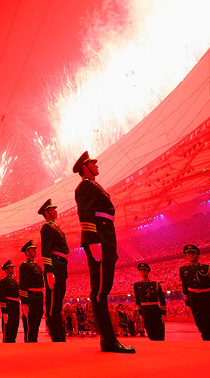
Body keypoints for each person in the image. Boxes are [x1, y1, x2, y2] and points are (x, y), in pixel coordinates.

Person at [73, 151, 135, 353]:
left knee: (103, 289)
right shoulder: (85, 186)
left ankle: (108, 339)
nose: (97, 166)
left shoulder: (94, 185)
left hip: (105, 237)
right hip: (99, 238)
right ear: (85, 167)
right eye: (93, 164)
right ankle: (107, 339)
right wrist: (93, 241)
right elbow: (85, 213)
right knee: (99, 291)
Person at [38, 199, 69, 342]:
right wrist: (49, 271)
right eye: (52, 209)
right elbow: (46, 250)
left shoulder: (55, 227)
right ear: (47, 212)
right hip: (54, 264)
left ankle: (60, 335)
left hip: (61, 264)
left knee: (58, 301)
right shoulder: (47, 227)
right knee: (52, 303)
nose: (56, 211)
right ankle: (56, 336)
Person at [179, 244, 210, 340]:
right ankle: (207, 342)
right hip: (193, 299)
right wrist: (187, 303)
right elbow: (184, 286)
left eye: (193, 253)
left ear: (198, 254)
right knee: (201, 324)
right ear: (186, 256)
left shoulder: (207, 268)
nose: (191, 255)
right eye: (188, 254)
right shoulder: (182, 270)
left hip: (207, 298)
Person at [19, 240, 44, 342]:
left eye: (34, 249)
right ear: (27, 251)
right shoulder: (25, 265)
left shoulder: (36, 266)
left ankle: (34, 341)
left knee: (36, 322)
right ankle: (30, 343)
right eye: (32, 250)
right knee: (30, 324)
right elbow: (23, 285)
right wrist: (24, 303)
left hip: (38, 296)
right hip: (31, 297)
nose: (35, 251)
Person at [133, 263, 166, 340]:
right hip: (145, 310)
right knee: (149, 330)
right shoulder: (137, 285)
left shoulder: (155, 284)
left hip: (155, 309)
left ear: (148, 272)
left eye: (145, 270)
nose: (143, 272)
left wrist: (164, 313)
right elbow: (137, 300)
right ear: (139, 272)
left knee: (159, 330)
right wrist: (140, 313)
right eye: (141, 270)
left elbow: (162, 299)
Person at [0, 260, 20, 343]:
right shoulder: (4, 280)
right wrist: (4, 311)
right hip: (9, 306)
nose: (13, 269)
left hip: (15, 305)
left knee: (15, 326)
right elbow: (1, 296)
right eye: (11, 268)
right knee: (8, 328)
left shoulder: (15, 281)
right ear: (6, 270)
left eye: (13, 268)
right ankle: (7, 345)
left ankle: (12, 344)